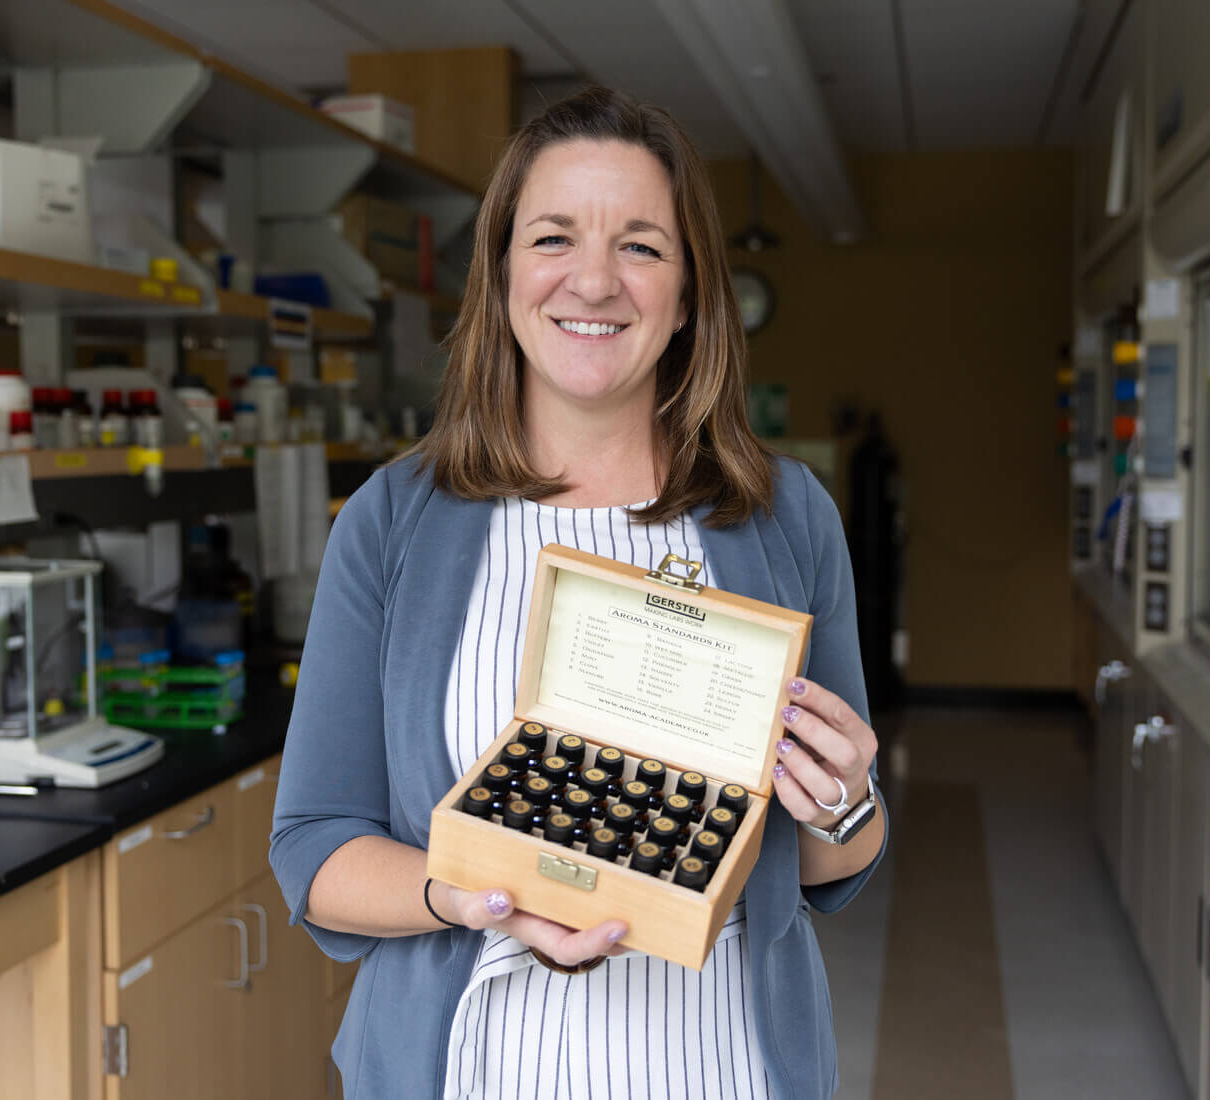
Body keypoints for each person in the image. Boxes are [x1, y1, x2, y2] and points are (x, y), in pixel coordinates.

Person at [270, 85, 888, 1099]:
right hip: (467, 1066)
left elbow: (828, 865)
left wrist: (843, 801)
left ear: (688, 294)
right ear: (505, 270)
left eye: (641, 246)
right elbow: (314, 846)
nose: (593, 281)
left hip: (718, 1065)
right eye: (553, 237)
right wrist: (468, 891)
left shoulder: (783, 517)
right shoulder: (393, 520)